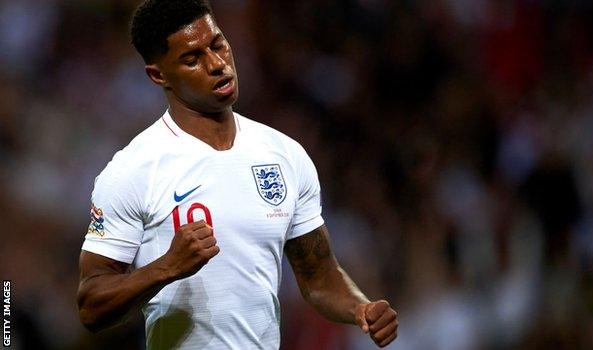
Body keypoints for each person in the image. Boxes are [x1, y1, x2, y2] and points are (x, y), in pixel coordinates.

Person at [76, 1, 398, 349]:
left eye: (217, 44)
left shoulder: (284, 155)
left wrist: (360, 307)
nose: (217, 64)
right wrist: (166, 267)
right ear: (159, 75)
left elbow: (319, 277)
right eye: (192, 59)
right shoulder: (133, 170)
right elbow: (91, 305)